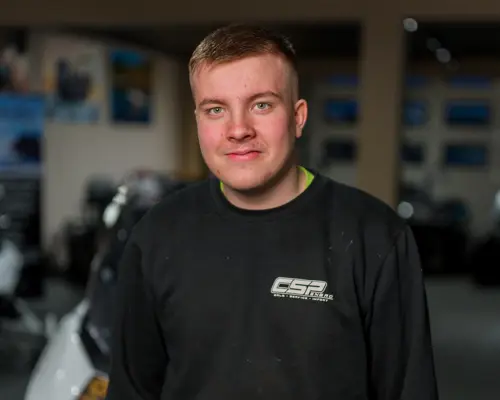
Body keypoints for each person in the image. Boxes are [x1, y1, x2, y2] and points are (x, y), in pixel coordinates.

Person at [106, 24, 438, 400]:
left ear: (298, 117)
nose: (238, 130)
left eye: (261, 105)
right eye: (215, 110)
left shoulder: (374, 236)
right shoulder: (156, 236)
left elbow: (410, 389)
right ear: (198, 121)